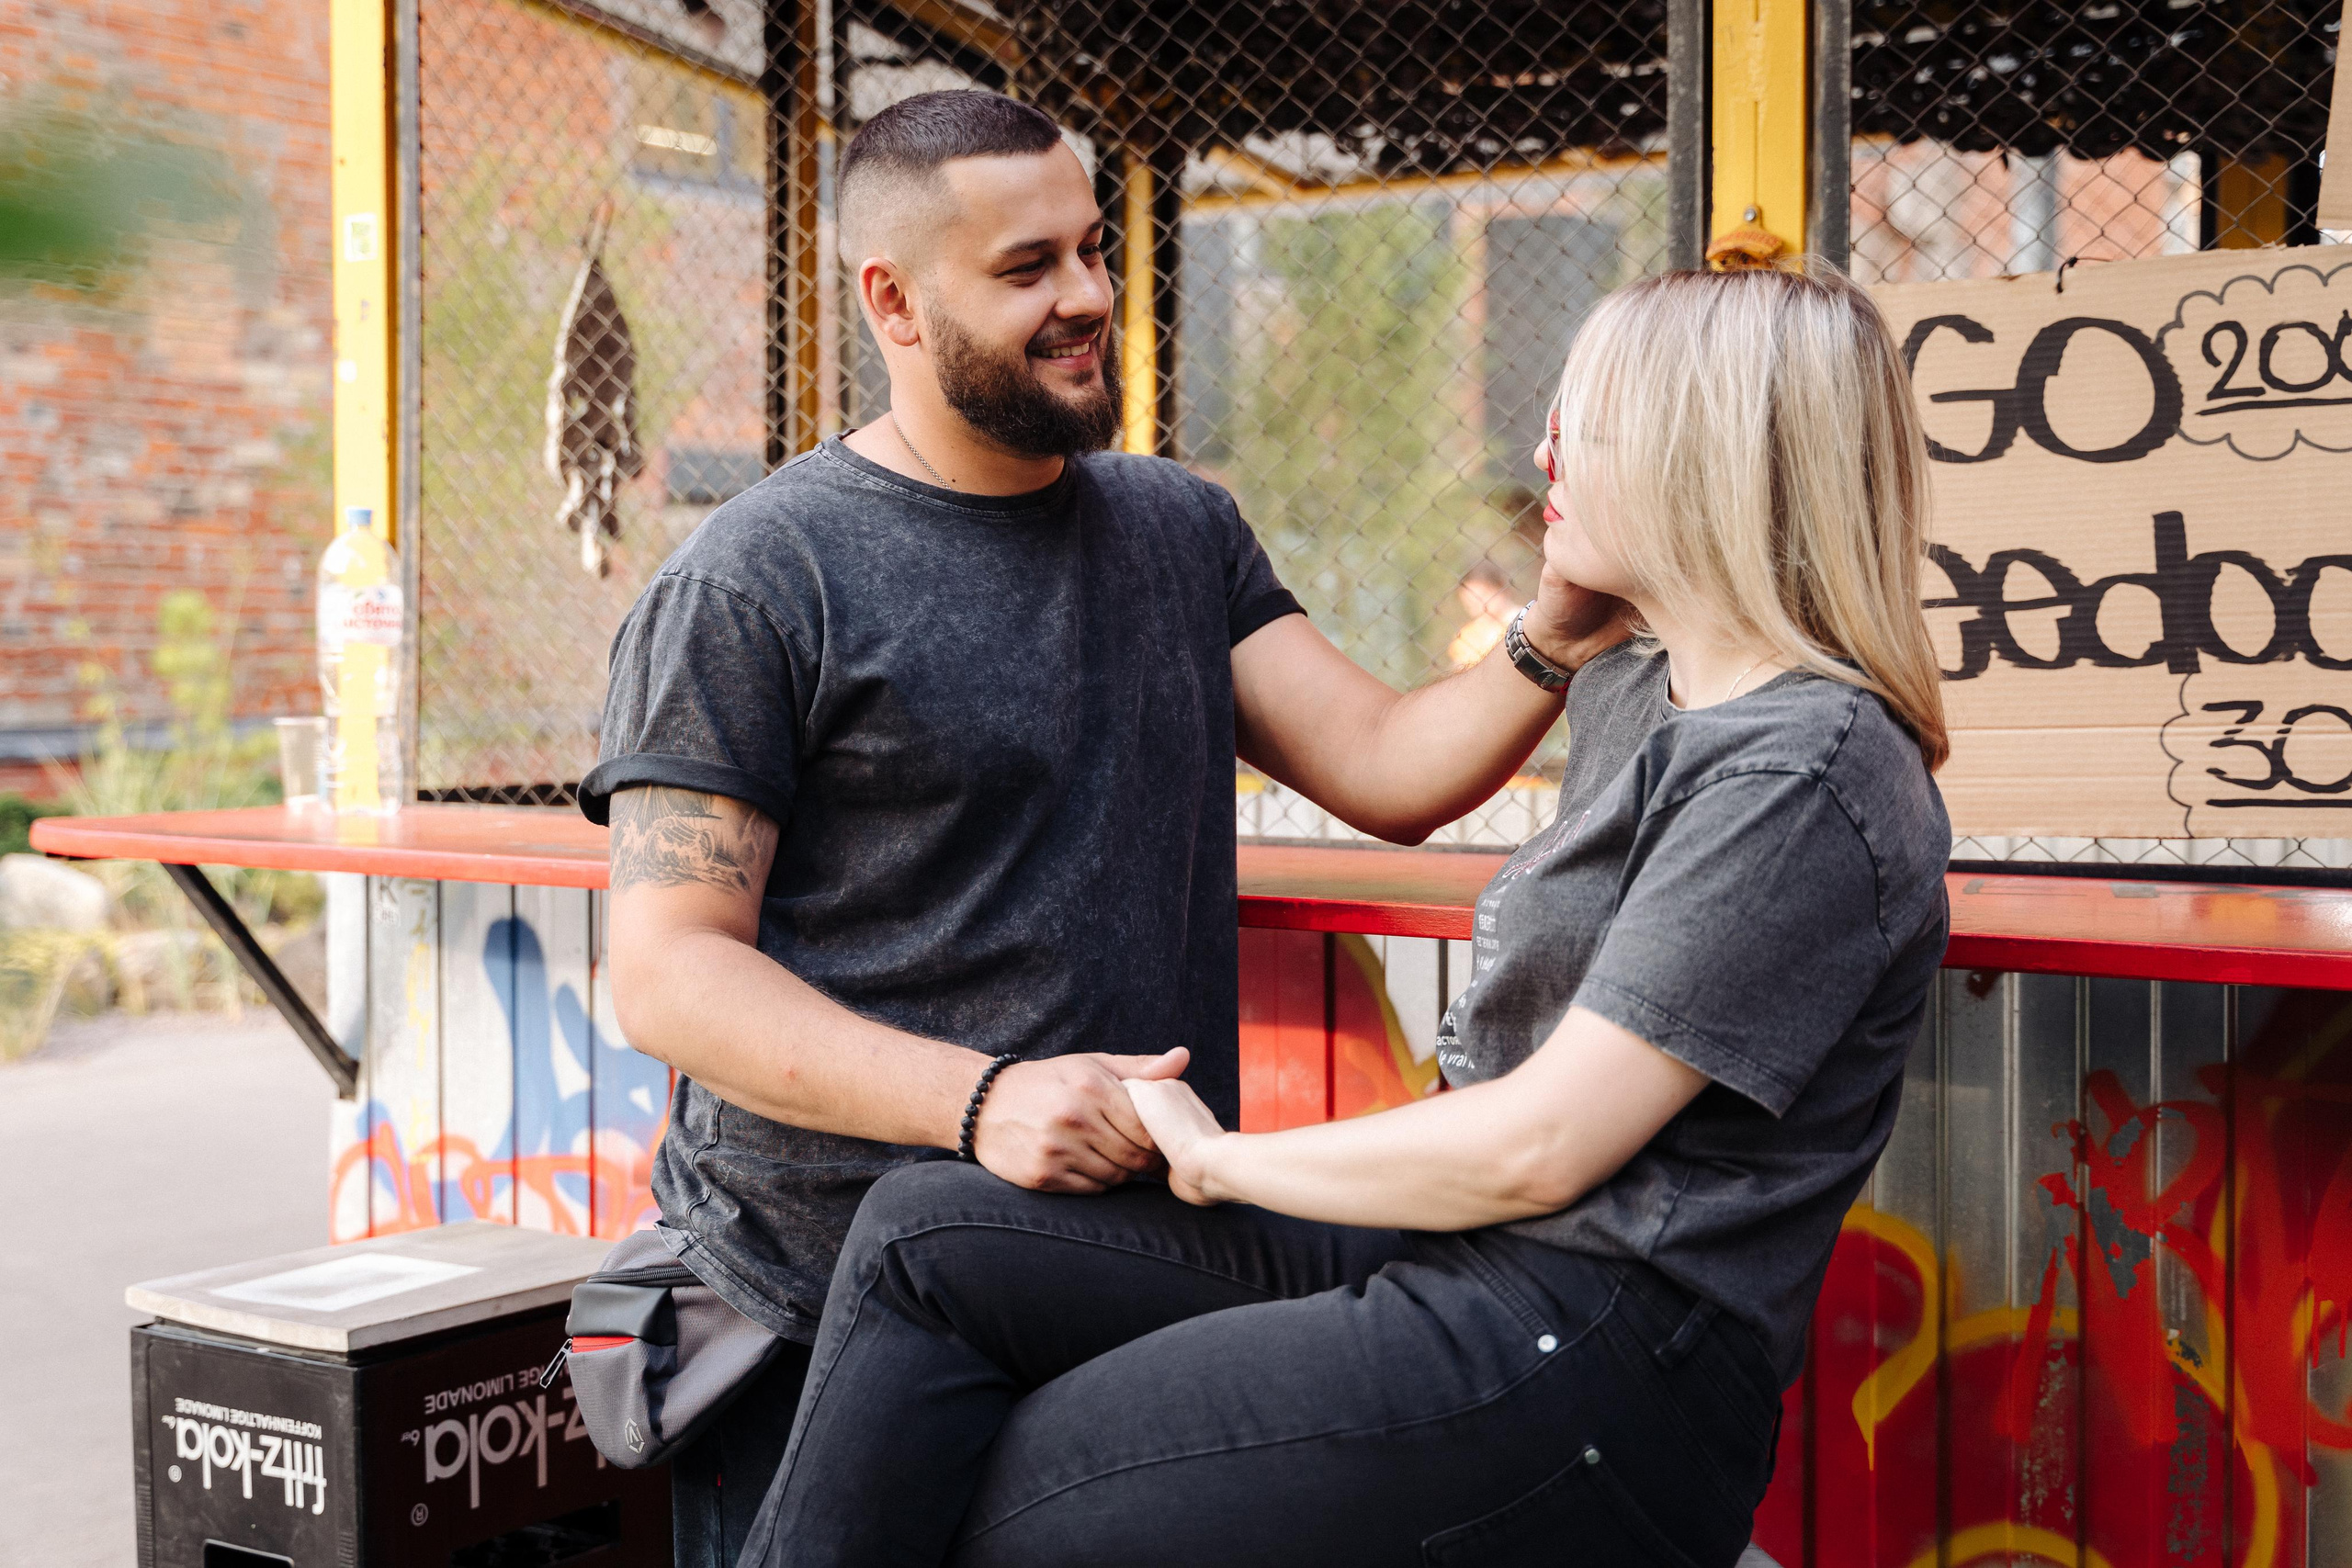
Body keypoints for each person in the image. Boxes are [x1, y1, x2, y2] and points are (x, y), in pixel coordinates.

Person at [739, 261, 1954, 1567]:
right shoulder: (1641, 694)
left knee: (1016, 1501)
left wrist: (1217, 1163)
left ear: (1699, 453)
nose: (1541, 447)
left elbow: (1538, 1149)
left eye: (1587, 421)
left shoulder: (1805, 767)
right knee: (929, 1237)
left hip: (1595, 1342)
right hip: (1469, 1255)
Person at [580, 90, 1627, 1565]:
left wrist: (1553, 633)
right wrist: (980, 1099)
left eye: (1091, 249)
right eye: (1027, 270)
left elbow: (1390, 767)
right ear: (892, 298)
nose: (1088, 298)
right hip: (812, 1320)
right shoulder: (759, 578)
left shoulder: (1176, 530)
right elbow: (669, 974)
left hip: (1113, 1273)